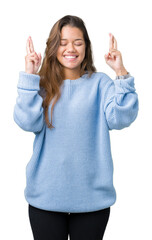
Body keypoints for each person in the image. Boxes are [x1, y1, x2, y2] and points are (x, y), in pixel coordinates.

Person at [13, 15, 139, 240]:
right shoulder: (41, 86)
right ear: (53, 48)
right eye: (62, 43)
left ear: (86, 47)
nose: (70, 48)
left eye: (77, 42)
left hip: (93, 201)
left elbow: (121, 118)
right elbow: (26, 121)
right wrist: (29, 77)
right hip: (45, 199)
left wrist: (120, 72)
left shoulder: (101, 84)